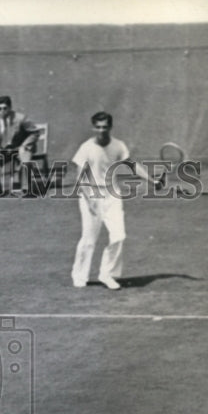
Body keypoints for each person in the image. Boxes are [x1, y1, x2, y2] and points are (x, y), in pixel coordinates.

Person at [70, 111, 165, 290]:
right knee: (89, 239)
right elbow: (80, 178)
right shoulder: (86, 148)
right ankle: (79, 275)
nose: (101, 130)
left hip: (112, 196)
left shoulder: (118, 146)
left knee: (118, 236)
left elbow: (132, 166)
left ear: (110, 127)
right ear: (93, 128)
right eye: (98, 127)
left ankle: (108, 275)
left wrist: (152, 181)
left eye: (105, 127)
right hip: (90, 196)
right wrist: (90, 201)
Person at [0, 95, 40, 196]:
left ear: (10, 108)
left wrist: (25, 145)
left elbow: (35, 132)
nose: (2, 111)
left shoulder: (21, 118)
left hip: (20, 148)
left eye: (5, 108)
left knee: (26, 162)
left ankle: (28, 190)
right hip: (3, 150)